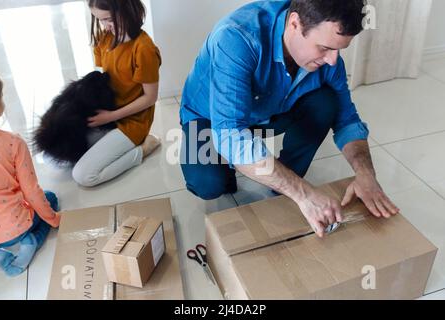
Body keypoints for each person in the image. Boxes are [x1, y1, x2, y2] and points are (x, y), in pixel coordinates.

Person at [179, 0, 400, 237]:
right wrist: (305, 194)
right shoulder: (235, 38)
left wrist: (366, 175)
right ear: (294, 23)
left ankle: (285, 180)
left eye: (339, 50)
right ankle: (269, 177)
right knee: (208, 184)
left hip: (271, 110)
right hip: (210, 117)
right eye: (324, 48)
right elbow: (231, 135)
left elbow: (347, 119)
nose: (333, 60)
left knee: (327, 103)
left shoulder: (329, 57)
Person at [72, 0, 162, 187]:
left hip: (133, 121)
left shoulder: (143, 48)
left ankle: (145, 147)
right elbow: (104, 80)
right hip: (109, 112)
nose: (104, 26)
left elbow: (150, 98)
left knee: (84, 176)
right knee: (70, 147)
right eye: (99, 20)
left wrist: (110, 117)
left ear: (128, 10)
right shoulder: (105, 37)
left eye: (108, 19)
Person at [0, 72, 60, 277]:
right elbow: (31, 191)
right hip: (16, 224)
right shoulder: (13, 143)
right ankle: (29, 242)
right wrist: (54, 219)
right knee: (50, 197)